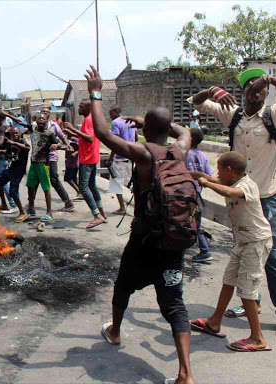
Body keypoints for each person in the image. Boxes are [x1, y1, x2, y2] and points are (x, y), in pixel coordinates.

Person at [85, 65, 194, 384]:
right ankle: (185, 373)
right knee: (174, 303)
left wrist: (95, 92)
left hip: (144, 241)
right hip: (174, 239)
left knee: (123, 286)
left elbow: (104, 133)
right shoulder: (180, 148)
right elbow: (183, 130)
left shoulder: (144, 153)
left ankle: (115, 331)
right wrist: (152, 122)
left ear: (147, 130)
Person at [188, 69, 276, 322]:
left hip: (266, 196)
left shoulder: (273, 114)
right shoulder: (234, 114)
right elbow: (197, 102)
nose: (257, 90)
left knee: (273, 257)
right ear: (243, 91)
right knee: (243, 251)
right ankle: (252, 303)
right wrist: (213, 89)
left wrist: (269, 79)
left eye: (261, 87)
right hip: (238, 198)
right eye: (251, 85)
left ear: (266, 91)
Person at [189, 152, 272, 352]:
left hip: (255, 242)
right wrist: (185, 173)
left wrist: (206, 184)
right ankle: (214, 321)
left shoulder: (246, 186)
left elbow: (227, 193)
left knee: (246, 290)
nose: (217, 174)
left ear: (228, 171)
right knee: (229, 281)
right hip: (243, 241)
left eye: (219, 170)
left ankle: (257, 338)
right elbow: (207, 177)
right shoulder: (231, 180)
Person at [63, 99, 106, 228]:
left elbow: (90, 138)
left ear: (88, 108)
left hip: (87, 158)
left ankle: (97, 215)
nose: (79, 108)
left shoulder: (88, 120)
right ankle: (102, 214)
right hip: (92, 156)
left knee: (84, 187)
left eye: (81, 106)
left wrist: (73, 129)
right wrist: (73, 133)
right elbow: (87, 138)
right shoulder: (92, 119)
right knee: (92, 186)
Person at [26, 113, 60, 222]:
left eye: (43, 119)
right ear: (36, 120)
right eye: (39, 118)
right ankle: (31, 208)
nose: (41, 120)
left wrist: (57, 146)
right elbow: (21, 123)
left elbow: (59, 144)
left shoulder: (49, 134)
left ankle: (49, 212)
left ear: (46, 121)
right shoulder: (33, 129)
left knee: (46, 188)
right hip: (33, 163)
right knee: (30, 186)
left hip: (43, 164)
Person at [185, 128, 213, 263]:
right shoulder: (203, 155)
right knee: (195, 222)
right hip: (197, 195)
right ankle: (203, 250)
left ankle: (204, 250)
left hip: (184, 195)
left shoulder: (183, 154)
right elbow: (208, 175)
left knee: (186, 222)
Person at [40, 106, 75, 212]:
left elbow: (62, 137)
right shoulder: (37, 126)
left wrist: (68, 145)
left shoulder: (54, 126)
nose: (45, 113)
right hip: (40, 158)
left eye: (47, 112)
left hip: (51, 157)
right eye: (43, 111)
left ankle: (68, 203)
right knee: (35, 179)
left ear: (49, 114)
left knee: (54, 179)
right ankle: (31, 204)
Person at [0, 126, 31, 222]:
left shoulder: (22, 141)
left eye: (16, 133)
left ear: (20, 133)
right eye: (13, 134)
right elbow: (8, 151)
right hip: (11, 169)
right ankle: (4, 204)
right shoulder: (10, 143)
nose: (15, 135)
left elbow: (28, 148)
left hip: (18, 171)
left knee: (13, 192)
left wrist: (13, 142)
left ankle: (22, 212)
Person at [107, 106, 137, 214]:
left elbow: (115, 142)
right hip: (131, 157)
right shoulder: (130, 121)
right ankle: (138, 207)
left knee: (116, 183)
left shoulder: (115, 123)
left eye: (111, 113)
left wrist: (110, 159)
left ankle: (122, 208)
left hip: (120, 158)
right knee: (133, 184)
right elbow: (136, 138)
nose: (110, 116)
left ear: (116, 112)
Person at [63, 131, 81, 199]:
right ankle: (82, 192)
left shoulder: (74, 139)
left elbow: (81, 148)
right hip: (69, 162)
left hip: (73, 163)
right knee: (73, 179)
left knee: (68, 178)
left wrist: (76, 153)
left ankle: (79, 192)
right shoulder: (67, 139)